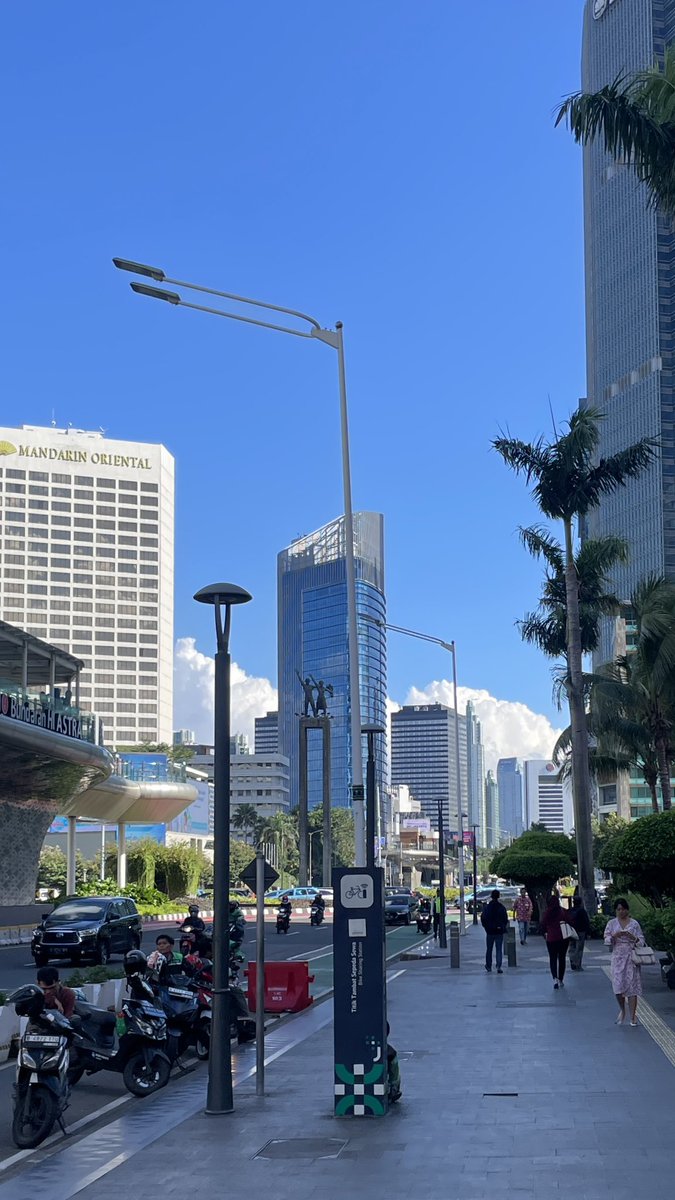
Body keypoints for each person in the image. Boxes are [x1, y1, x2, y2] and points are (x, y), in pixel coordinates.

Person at [604, 897, 646, 1026]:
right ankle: (622, 1010)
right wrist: (614, 936)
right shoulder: (611, 924)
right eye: (619, 909)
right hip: (617, 957)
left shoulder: (634, 924)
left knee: (632, 987)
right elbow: (606, 940)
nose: (621, 912)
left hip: (631, 957)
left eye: (623, 909)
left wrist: (632, 937)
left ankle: (633, 1016)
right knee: (618, 987)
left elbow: (642, 941)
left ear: (627, 909)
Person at [539, 893, 570, 989]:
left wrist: (544, 933)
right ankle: (561, 979)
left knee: (552, 959)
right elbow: (569, 922)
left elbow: (543, 925)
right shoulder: (563, 911)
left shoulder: (547, 913)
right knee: (562, 959)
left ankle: (554, 979)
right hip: (563, 938)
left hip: (551, 938)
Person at [481, 889, 508, 973]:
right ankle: (498, 966)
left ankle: (488, 965)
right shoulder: (501, 907)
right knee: (499, 949)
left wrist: (486, 927)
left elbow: (483, 918)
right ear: (498, 896)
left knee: (489, 949)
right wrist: (502, 926)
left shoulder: (487, 907)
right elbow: (505, 919)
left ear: (491, 896)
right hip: (499, 931)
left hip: (490, 931)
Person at [569, 896, 591, 971]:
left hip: (571, 931)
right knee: (579, 948)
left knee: (572, 947)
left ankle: (572, 960)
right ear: (581, 902)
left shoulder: (570, 910)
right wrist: (588, 932)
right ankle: (577, 964)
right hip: (581, 931)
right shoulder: (582, 911)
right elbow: (586, 922)